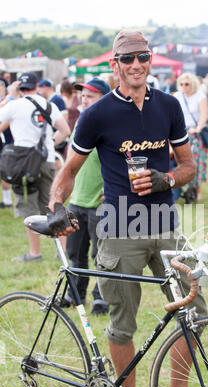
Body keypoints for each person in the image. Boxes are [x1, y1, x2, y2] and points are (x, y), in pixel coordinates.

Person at [48, 30, 208, 387]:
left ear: (150, 59)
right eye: (127, 59)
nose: (136, 65)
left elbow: (188, 166)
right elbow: (69, 170)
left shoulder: (168, 105)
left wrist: (163, 180)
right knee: (121, 322)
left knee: (193, 312)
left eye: (142, 57)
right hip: (119, 227)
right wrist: (56, 205)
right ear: (115, 65)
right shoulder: (97, 114)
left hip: (164, 225)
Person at [0, 72, 70, 262]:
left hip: (22, 163)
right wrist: (49, 144)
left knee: (28, 207)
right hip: (46, 159)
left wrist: (10, 96)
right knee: (54, 205)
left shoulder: (14, 105)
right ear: (36, 85)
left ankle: (35, 252)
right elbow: (65, 131)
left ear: (19, 87)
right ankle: (62, 251)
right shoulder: (49, 105)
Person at [61, 78, 110, 315]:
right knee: (75, 254)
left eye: (90, 95)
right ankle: (75, 294)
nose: (84, 97)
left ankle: (101, 298)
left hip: (100, 203)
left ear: (103, 98)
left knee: (102, 255)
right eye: (82, 94)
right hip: (77, 199)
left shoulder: (110, 125)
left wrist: (112, 189)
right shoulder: (81, 122)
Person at [174, 72, 208, 200]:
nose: (184, 86)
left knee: (196, 162)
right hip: (180, 133)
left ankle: (198, 189)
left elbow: (204, 114)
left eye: (186, 84)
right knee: (178, 161)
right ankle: (179, 187)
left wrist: (198, 128)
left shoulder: (200, 96)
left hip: (195, 133)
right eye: (181, 84)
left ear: (192, 84)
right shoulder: (177, 96)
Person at [38, 79, 69, 157]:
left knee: (57, 159)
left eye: (40, 88)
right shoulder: (47, 100)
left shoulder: (57, 99)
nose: (39, 90)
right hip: (52, 135)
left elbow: (65, 117)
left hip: (58, 136)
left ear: (46, 87)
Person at [0, 77, 13, 208]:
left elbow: (8, 120)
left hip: (7, 142)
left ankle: (8, 200)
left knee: (5, 171)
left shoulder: (10, 101)